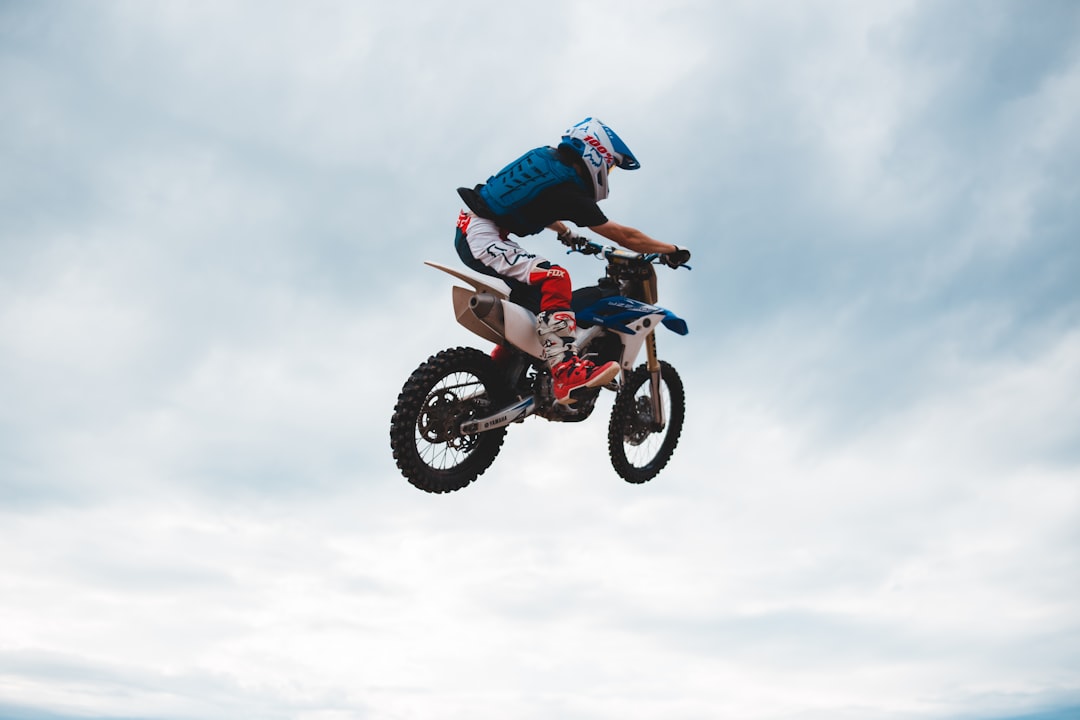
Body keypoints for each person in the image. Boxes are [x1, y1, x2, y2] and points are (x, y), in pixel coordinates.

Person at [455, 117, 690, 405]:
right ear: (597, 154)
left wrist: (565, 231)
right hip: (482, 237)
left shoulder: (550, 162)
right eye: (611, 165)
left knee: (534, 301)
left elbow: (534, 201)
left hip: (474, 227)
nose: (608, 172)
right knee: (555, 277)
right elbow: (623, 236)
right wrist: (670, 249)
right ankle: (566, 373)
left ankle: (499, 378)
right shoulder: (569, 191)